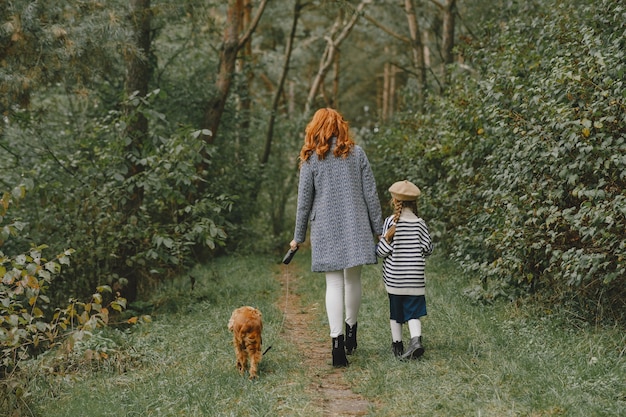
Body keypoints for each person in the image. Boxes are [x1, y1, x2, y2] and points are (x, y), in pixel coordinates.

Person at [290, 107, 383, 368]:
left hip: (325, 228)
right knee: (352, 279)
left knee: (334, 285)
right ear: (340, 127)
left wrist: (297, 237)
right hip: (356, 225)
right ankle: (351, 333)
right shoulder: (357, 154)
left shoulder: (310, 159)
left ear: (315, 128)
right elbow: (371, 194)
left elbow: (303, 203)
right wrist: (379, 228)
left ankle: (336, 346)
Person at [376, 180, 433, 359]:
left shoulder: (390, 223)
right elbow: (428, 248)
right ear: (414, 202)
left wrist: (385, 240)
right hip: (415, 278)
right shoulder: (420, 223)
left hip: (395, 279)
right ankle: (415, 341)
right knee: (413, 312)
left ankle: (397, 346)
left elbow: (382, 252)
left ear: (395, 201)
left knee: (396, 312)